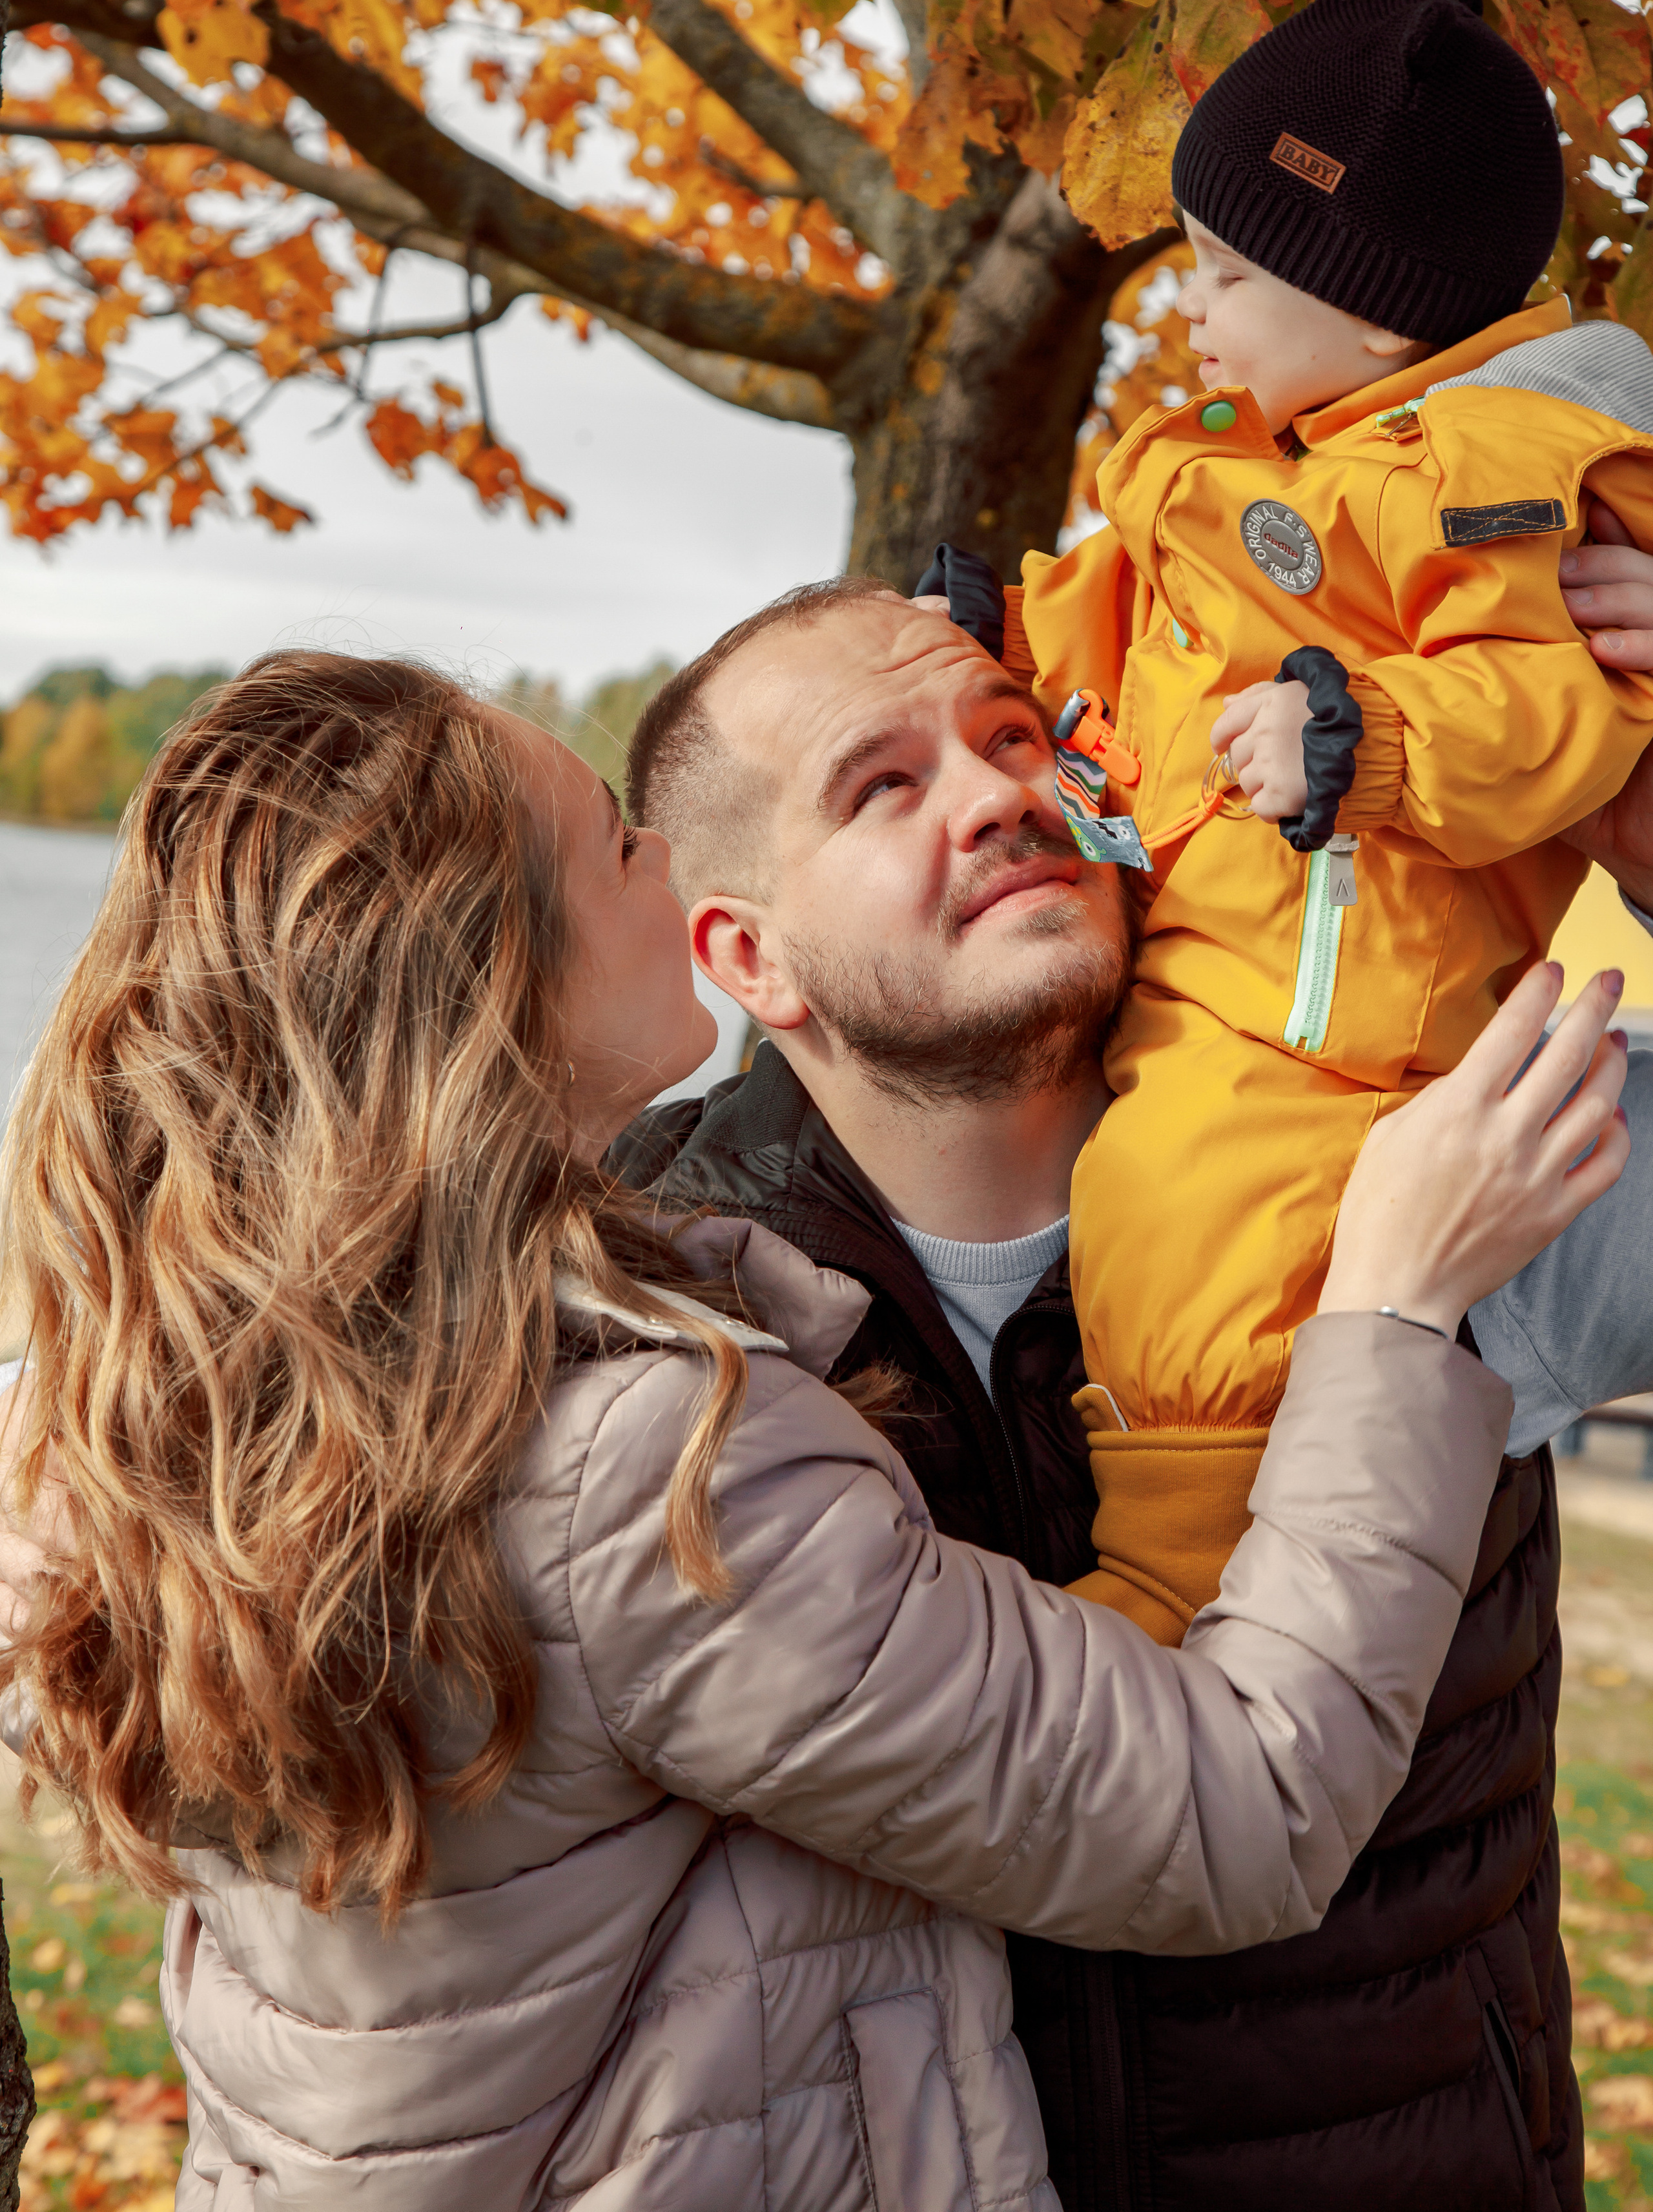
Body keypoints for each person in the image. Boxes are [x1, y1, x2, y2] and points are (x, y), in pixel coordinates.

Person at [0, 649, 1608, 2209]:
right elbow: (1233, 1803)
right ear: (507, 970)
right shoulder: (645, 1459)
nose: (990, 799)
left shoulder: (213, 1397)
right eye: (624, 845)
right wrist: (1391, 1306)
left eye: (1016, 735)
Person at [620, 576, 1653, 2211]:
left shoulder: (1439, 1175)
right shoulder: (644, 1327)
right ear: (749, 955)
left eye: (1015, 733)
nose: (996, 793)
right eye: (881, 785)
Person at [1011, 0, 1653, 1645]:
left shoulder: (1482, 484)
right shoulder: (1245, 472)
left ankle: (1164, 1615)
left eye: (1229, 274)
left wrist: (1355, 741)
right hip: (1203, 964)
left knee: (1205, 1260)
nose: (1190, 310)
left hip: (1335, 1036)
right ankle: (1141, 1596)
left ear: (1370, 321)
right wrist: (1002, 639)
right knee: (1144, 1232)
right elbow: (1137, 630)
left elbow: (1542, 704)